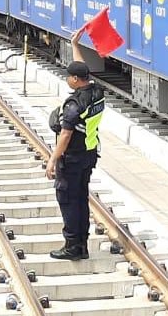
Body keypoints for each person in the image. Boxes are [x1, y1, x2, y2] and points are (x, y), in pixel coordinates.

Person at [45, 30, 105, 260]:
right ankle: (82, 244)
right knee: (81, 199)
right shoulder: (96, 92)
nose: (67, 79)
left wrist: (53, 159)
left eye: (69, 76)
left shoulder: (74, 105)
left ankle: (72, 246)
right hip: (89, 155)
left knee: (68, 200)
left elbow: (66, 135)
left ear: (75, 80)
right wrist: (75, 44)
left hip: (72, 158)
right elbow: (83, 68)